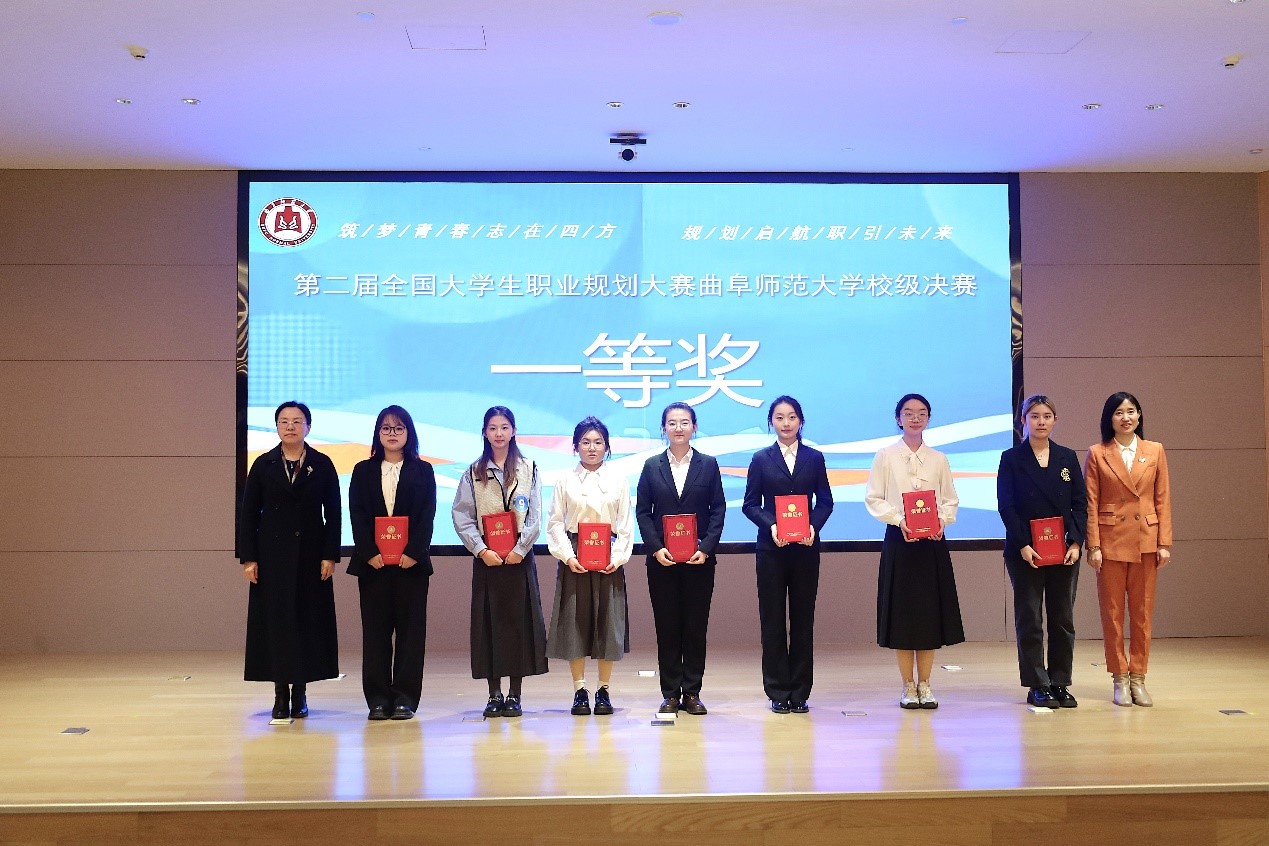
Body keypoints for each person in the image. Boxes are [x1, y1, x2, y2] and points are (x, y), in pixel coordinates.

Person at [238, 401, 340, 721]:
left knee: (306, 623)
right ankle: (281, 693)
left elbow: (334, 514)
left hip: (311, 557)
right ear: (277, 427)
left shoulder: (322, 464)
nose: (291, 426)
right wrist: (249, 558)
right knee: (277, 623)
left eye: (297, 421)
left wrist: (329, 555)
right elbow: (248, 514)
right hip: (272, 558)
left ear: (308, 426)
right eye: (284, 421)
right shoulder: (263, 464)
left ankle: (301, 692)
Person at [865, 393, 965, 710]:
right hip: (900, 542)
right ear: (898, 419)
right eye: (908, 413)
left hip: (932, 544)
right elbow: (874, 498)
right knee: (903, 615)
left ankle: (926, 684)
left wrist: (942, 520)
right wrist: (899, 520)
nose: (915, 418)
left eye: (921, 413)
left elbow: (949, 499)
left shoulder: (939, 458)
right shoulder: (885, 456)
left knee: (928, 615)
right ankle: (908, 685)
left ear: (928, 419)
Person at [451, 406, 549, 719]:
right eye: (492, 428)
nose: (499, 433)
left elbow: (535, 515)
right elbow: (462, 515)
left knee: (518, 625)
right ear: (484, 432)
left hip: (520, 558)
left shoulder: (529, 468)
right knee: (488, 626)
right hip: (488, 559)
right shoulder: (473, 472)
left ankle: (515, 694)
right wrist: (481, 550)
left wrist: (521, 548)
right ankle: (494, 694)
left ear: (514, 431)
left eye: (504, 427)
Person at [742, 395, 834, 714]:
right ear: (771, 422)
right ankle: (777, 690)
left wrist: (812, 526)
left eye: (792, 417)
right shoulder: (761, 459)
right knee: (772, 620)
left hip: (806, 548)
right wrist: (771, 526)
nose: (786, 423)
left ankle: (800, 691)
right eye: (779, 417)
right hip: (772, 549)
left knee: (803, 619)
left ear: (800, 421)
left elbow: (825, 501)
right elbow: (750, 504)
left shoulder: (814, 457)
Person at [635, 402, 727, 716]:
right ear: (664, 428)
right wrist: (655, 547)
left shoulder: (708, 464)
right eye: (672, 423)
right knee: (667, 627)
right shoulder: (651, 466)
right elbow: (643, 512)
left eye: (684, 422)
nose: (678, 428)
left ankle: (693, 692)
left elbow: (718, 510)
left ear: (694, 427)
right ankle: (670, 694)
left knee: (695, 627)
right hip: (662, 562)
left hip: (699, 561)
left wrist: (707, 547)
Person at [996, 395, 1087, 708]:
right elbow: (1006, 506)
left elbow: (1080, 503)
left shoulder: (1067, 457)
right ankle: (1037, 683)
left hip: (1064, 551)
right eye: (1034, 416)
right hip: (1025, 552)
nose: (1041, 421)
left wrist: (1076, 542)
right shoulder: (1011, 458)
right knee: (1030, 619)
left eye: (1047, 416)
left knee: (1062, 619)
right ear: (1023, 420)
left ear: (1055, 420)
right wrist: (1023, 544)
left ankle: (1060, 682)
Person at [346, 405, 436, 721]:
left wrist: (414, 551)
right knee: (376, 634)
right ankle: (378, 699)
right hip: (373, 565)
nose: (392, 433)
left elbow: (427, 514)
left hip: (411, 566)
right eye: (386, 428)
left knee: (411, 635)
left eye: (399, 428)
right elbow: (357, 513)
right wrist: (368, 551)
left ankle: (404, 699)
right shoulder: (363, 470)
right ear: (378, 433)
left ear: (409, 433)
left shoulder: (423, 470)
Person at [1084, 391, 1172, 707]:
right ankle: (1119, 677)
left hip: (1146, 539)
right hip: (1110, 541)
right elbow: (1091, 503)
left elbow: (1162, 498)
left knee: (1143, 613)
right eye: (1119, 412)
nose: (1126, 417)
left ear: (1139, 416)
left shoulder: (1155, 450)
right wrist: (1093, 545)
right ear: (1109, 418)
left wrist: (1164, 542)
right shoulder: (1097, 453)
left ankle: (1139, 677)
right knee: (1112, 614)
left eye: (1131, 411)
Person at [545, 416, 634, 716]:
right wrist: (568, 556)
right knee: (575, 623)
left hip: (608, 557)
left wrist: (616, 558)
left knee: (608, 623)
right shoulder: (565, 480)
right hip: (575, 557)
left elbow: (625, 525)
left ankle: (604, 690)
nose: (592, 448)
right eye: (585, 442)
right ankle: (579, 690)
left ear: (607, 447)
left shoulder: (618, 480)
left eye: (598, 442)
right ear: (575, 446)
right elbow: (555, 523)